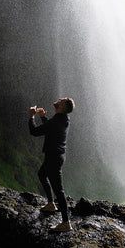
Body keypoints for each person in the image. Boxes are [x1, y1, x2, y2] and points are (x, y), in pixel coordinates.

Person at [29, 97, 75, 232]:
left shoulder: (56, 121)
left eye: (62, 100)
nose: (59, 99)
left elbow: (35, 132)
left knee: (59, 190)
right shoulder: (64, 119)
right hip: (57, 156)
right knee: (42, 174)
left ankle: (66, 222)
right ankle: (50, 204)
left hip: (54, 157)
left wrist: (32, 116)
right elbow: (51, 129)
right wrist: (44, 118)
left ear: (63, 107)